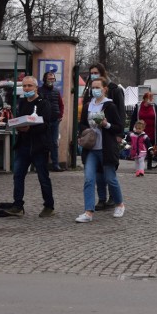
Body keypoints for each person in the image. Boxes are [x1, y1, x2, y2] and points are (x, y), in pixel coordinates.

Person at [76, 77, 125, 222]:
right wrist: (85, 132)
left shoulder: (110, 106)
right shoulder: (87, 106)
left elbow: (118, 127)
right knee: (89, 179)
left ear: (105, 89)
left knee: (110, 179)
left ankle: (119, 204)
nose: (95, 90)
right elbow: (82, 124)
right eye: (93, 87)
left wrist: (106, 124)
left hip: (106, 148)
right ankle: (88, 212)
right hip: (91, 148)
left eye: (98, 87)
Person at [7, 76, 55, 217]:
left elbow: (46, 124)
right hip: (23, 145)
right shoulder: (22, 102)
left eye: (29, 86)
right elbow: (20, 119)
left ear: (36, 87)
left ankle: (49, 206)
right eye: (24, 86)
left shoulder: (43, 103)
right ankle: (17, 205)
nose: (27, 88)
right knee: (18, 175)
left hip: (39, 146)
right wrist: (18, 126)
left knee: (43, 177)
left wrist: (30, 129)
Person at [40, 70, 65, 172]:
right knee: (43, 143)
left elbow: (61, 105)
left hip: (55, 120)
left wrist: (60, 115)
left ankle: (55, 165)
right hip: (43, 121)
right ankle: (42, 165)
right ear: (45, 79)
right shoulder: (39, 91)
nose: (51, 80)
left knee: (54, 143)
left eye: (53, 79)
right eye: (49, 78)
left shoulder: (56, 91)